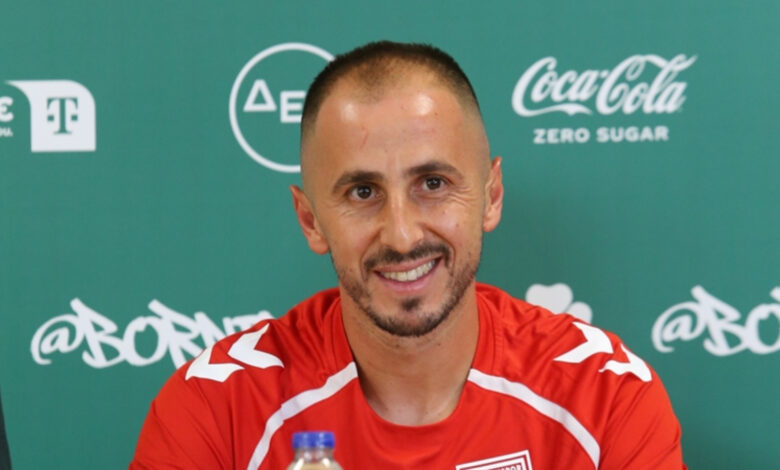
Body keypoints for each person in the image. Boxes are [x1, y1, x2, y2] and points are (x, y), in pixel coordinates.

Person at [131, 41, 685, 469]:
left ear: (491, 196)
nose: (400, 235)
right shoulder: (217, 407)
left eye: (433, 184)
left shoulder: (604, 395)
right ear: (310, 220)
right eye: (362, 192)